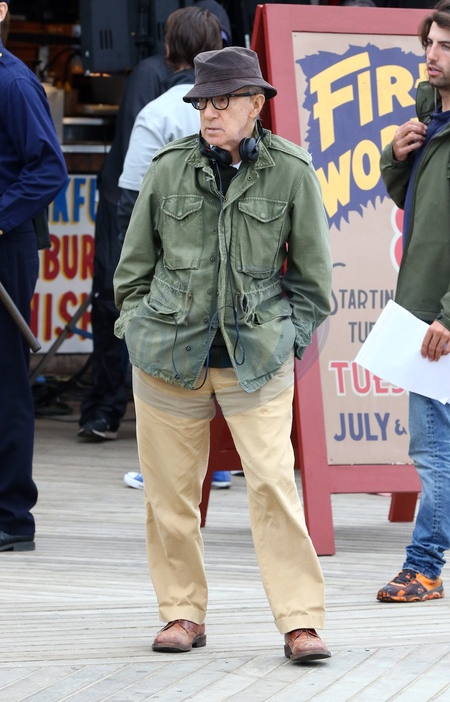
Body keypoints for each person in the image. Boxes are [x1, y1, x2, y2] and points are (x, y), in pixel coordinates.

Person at [114, 46, 333, 662]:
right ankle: (181, 612)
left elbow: (314, 284)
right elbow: (132, 270)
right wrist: (135, 328)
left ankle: (300, 622)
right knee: (169, 496)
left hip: (256, 358)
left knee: (273, 487)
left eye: (223, 101)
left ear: (256, 104)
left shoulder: (292, 171)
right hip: (166, 356)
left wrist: (288, 338)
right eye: (202, 102)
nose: (209, 112)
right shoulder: (168, 168)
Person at [78, 0, 231, 444]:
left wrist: (134, 260)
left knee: (152, 335)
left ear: (168, 47)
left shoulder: (160, 108)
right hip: (217, 250)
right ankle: (210, 447)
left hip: (167, 246)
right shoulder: (238, 108)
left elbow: (131, 191)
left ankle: (156, 435)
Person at [377, 0, 450, 602]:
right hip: (424, 309)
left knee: (433, 448)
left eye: (447, 45)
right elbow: (413, 205)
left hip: (439, 317)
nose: (432, 54)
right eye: (429, 42)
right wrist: (396, 158)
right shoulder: (431, 119)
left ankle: (424, 566)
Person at [0, 0, 68, 552]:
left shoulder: (14, 82)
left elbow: (48, 170)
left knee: (4, 381)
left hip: (4, 244)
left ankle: (11, 517)